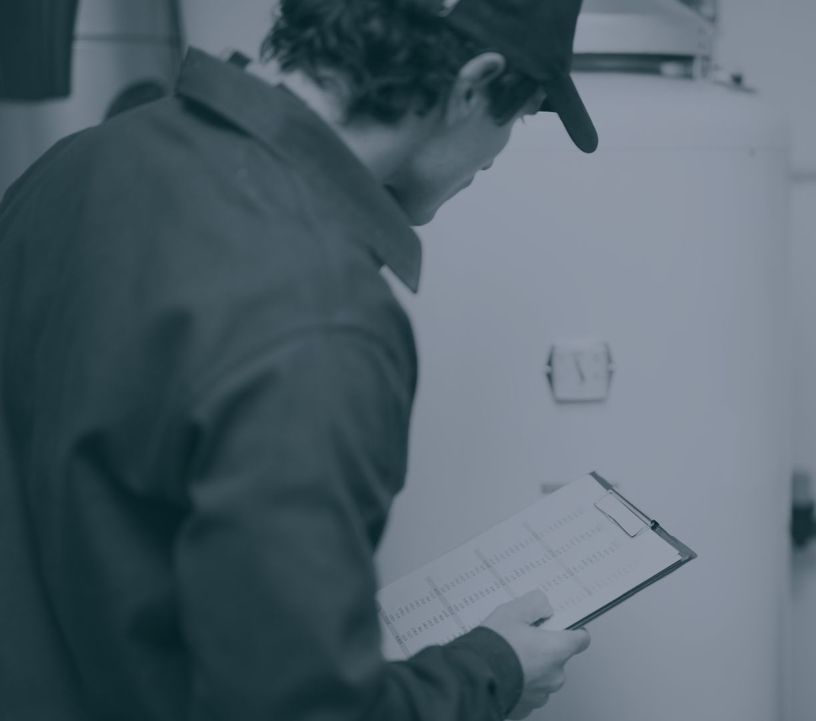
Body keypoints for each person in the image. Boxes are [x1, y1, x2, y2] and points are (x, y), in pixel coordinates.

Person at [0, 0, 598, 719]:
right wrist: (491, 671)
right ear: (473, 84)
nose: (496, 156)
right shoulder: (322, 312)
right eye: (520, 115)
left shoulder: (74, 165)